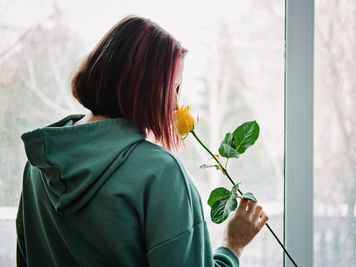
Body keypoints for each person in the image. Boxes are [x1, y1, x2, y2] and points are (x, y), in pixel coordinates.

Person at [16, 15, 269, 267]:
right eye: (175, 88)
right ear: (147, 88)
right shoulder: (161, 174)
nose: (177, 104)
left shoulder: (38, 165)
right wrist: (232, 245)